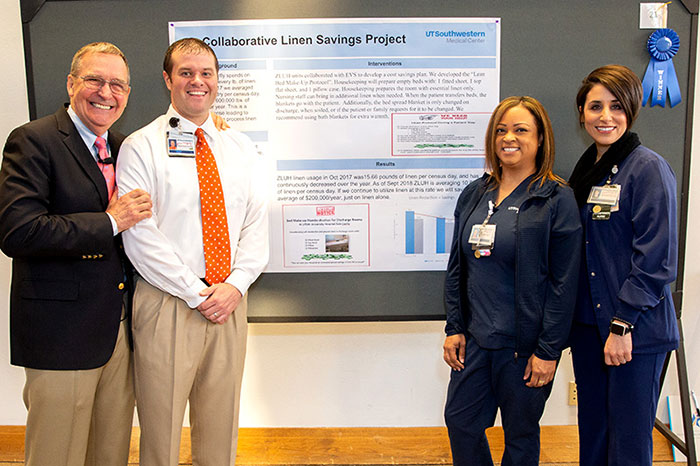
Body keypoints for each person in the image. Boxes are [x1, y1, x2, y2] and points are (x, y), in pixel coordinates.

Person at [117, 38, 269, 466]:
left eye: (206, 73)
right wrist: (194, 291)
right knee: (161, 432)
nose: (197, 81)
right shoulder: (141, 146)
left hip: (229, 303)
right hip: (168, 303)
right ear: (168, 80)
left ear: (217, 80)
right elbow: (140, 235)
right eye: (185, 73)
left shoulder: (238, 147)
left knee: (221, 431)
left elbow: (256, 224)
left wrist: (234, 286)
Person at [0, 42, 153, 466]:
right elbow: (19, 231)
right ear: (71, 84)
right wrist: (109, 221)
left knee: (110, 454)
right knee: (56, 456)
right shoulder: (33, 140)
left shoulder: (126, 148)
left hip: (117, 334)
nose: (107, 92)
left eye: (118, 84)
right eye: (95, 80)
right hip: (60, 336)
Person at [442, 96, 582, 466]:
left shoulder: (556, 198)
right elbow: (458, 265)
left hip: (525, 348)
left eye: (521, 130)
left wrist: (548, 351)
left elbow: (564, 283)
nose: (509, 137)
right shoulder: (475, 193)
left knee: (519, 435)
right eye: (502, 130)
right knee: (460, 420)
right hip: (475, 342)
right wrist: (454, 327)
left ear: (540, 139)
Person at [568, 65, 679, 466]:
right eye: (595, 106)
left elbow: (656, 259)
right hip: (587, 328)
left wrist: (622, 324)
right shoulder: (584, 173)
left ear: (630, 110)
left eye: (616, 106)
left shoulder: (647, 168)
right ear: (581, 113)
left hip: (635, 332)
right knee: (593, 438)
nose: (605, 116)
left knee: (629, 446)